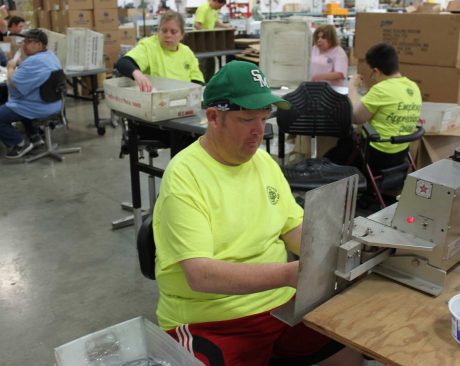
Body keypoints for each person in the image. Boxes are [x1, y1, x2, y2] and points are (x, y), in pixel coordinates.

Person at [153, 61, 363, 366]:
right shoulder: (185, 177)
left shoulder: (263, 163)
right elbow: (200, 275)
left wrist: (336, 249)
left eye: (264, 118)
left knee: (350, 351)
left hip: (280, 305)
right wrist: (293, 274)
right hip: (211, 319)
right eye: (247, 119)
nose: (259, 131)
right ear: (213, 117)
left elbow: (292, 228)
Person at [325, 43, 422, 171]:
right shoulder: (413, 86)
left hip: (377, 153)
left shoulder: (381, 90)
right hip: (401, 152)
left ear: (376, 71)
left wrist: (352, 87)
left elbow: (355, 117)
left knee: (333, 155)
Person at [0, 29, 62, 159]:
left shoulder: (34, 61)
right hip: (54, 103)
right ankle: (35, 137)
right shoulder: (50, 55)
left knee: (13, 106)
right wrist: (22, 66)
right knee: (19, 104)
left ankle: (18, 143)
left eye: (28, 42)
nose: (24, 45)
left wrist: (11, 68)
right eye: (24, 42)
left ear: (39, 45)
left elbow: (13, 83)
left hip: (39, 106)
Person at [115, 10, 204, 92]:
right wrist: (137, 74)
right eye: (164, 31)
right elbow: (123, 62)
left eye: (173, 32)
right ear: (158, 31)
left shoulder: (187, 52)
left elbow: (197, 80)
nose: (168, 35)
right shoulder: (149, 45)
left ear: (182, 35)